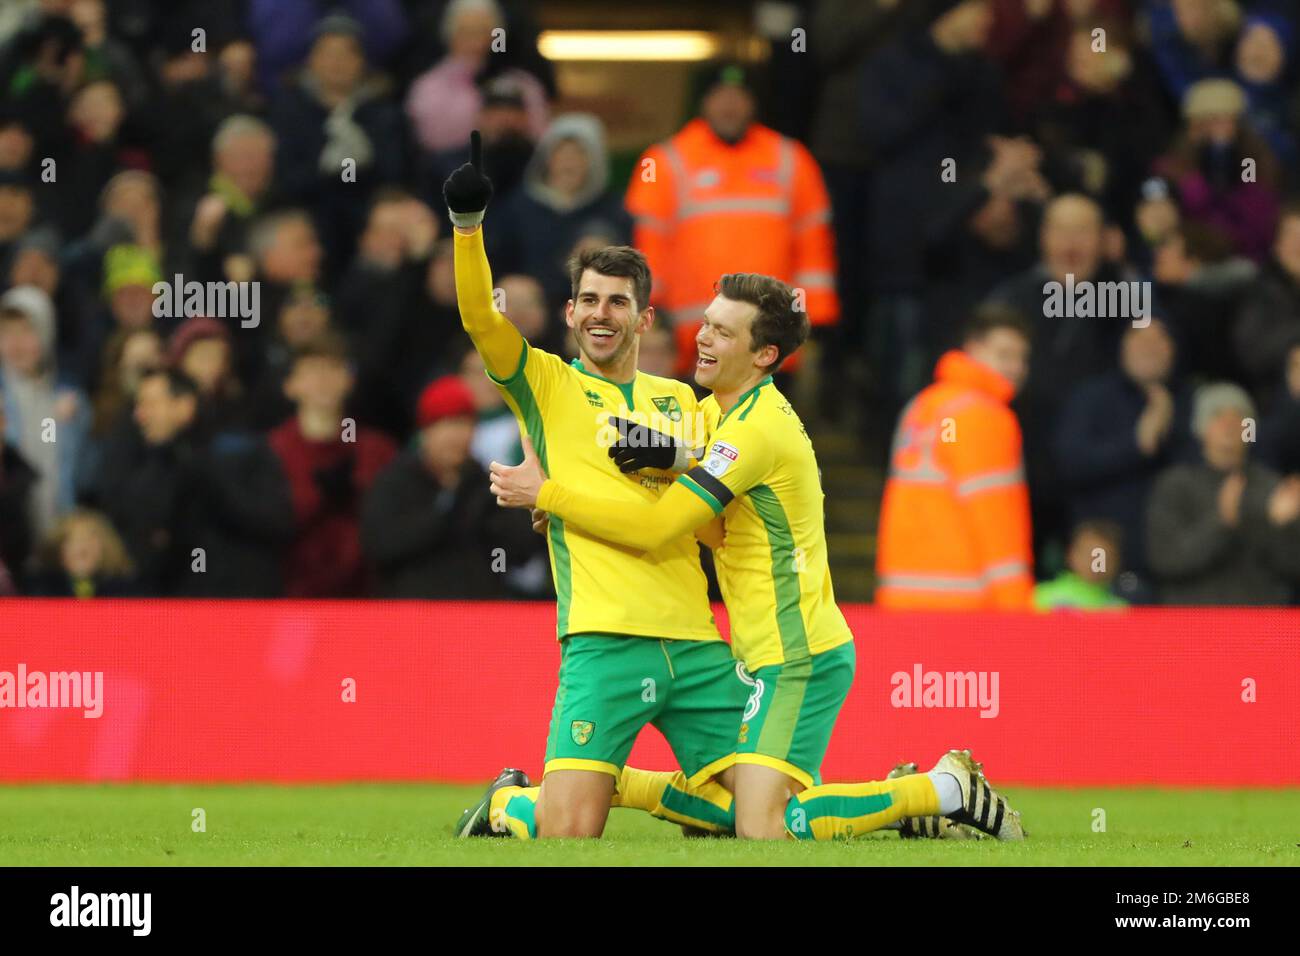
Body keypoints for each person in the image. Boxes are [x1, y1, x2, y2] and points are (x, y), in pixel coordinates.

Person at [489, 271, 1024, 842]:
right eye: (707, 325)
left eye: (722, 332)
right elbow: (716, 525)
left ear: (764, 354)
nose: (703, 339)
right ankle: (540, 801)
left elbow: (656, 527)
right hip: (763, 651)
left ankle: (946, 791)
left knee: (765, 829)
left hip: (798, 654)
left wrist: (546, 494)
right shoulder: (725, 416)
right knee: (737, 815)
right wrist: (667, 457)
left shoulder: (754, 431)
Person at [445, 131, 750, 839]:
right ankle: (512, 805)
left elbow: (713, 511)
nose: (600, 314)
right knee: (569, 837)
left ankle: (523, 801)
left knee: (760, 818)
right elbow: (478, 318)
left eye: (617, 302)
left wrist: (550, 495)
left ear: (644, 317)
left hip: (697, 641)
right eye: (587, 301)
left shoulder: (684, 402)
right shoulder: (545, 384)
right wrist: (467, 228)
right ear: (570, 313)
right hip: (603, 640)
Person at [625, 64, 839, 375]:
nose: (729, 105)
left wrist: (815, 320)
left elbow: (813, 245)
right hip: (691, 345)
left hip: (771, 342)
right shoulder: (665, 160)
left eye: (739, 96)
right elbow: (649, 248)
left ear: (754, 103)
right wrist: (651, 316)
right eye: (719, 96)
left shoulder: (791, 158)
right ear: (702, 102)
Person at [876, 305, 1034, 609]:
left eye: (1022, 358)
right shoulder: (985, 415)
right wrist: (1017, 607)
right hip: (963, 602)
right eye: (1004, 354)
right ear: (973, 349)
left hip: (902, 594)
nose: (1015, 367)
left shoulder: (922, 406)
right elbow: (996, 518)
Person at [361, 375, 536, 599]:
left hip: (479, 613)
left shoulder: (486, 484)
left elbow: (520, 550)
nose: (456, 436)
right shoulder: (396, 482)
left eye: (464, 424)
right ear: (425, 432)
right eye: (445, 424)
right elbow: (380, 546)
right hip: (410, 613)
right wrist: (447, 508)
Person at [1146, 381, 1300, 604]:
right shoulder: (1175, 485)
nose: (1229, 425)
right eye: (1217, 416)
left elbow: (1293, 565)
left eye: (1239, 418)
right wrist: (1222, 522)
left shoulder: (1273, 488)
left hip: (1261, 625)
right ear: (1200, 427)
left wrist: (1276, 526)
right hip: (1193, 624)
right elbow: (1166, 560)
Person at [267, 332, 395, 597]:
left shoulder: (377, 450)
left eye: (333, 368)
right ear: (290, 385)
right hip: (287, 599)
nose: (323, 380)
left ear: (350, 380)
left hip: (365, 600)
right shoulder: (272, 451)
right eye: (313, 370)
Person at [27, 506, 136, 597]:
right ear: (58, 549)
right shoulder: (40, 592)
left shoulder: (128, 592)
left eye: (90, 540)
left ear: (106, 548)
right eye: (73, 540)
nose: (82, 548)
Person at [1033, 520, 1128, 610]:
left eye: (1106, 558)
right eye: (1090, 555)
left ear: (1117, 561)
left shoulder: (1119, 609)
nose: (1097, 564)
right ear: (1071, 554)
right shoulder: (1041, 597)